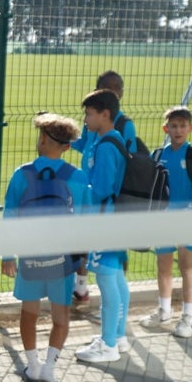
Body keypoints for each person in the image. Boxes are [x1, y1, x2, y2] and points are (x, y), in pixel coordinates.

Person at [0, 113, 90, 382]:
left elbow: (9, 218)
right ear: (67, 147)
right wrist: (82, 269)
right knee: (61, 317)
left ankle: (33, 364)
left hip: (30, 257)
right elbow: (84, 226)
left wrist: (6, 256)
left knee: (29, 313)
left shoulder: (22, 174)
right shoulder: (77, 177)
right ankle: (50, 369)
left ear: (41, 140)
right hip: (62, 261)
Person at [139, 106, 192, 339]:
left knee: (186, 266)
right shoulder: (158, 156)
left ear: (190, 128)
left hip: (187, 221)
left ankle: (187, 317)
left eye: (183, 126)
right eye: (173, 126)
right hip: (164, 220)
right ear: (166, 128)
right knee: (163, 266)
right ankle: (163, 311)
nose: (178, 130)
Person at [75, 89, 132, 363]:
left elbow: (101, 189)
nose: (85, 119)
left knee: (107, 280)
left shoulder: (107, 146)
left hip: (103, 221)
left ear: (105, 114)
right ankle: (118, 337)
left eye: (89, 113)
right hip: (116, 220)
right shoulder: (114, 140)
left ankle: (108, 344)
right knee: (117, 279)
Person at [70, 71, 136, 304]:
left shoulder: (121, 127)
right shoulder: (95, 124)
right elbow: (86, 147)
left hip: (105, 207)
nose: (114, 93)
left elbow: (124, 167)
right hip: (92, 202)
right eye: (108, 89)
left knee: (110, 271)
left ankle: (113, 332)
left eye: (117, 89)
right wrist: (63, 138)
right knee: (84, 248)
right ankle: (81, 288)